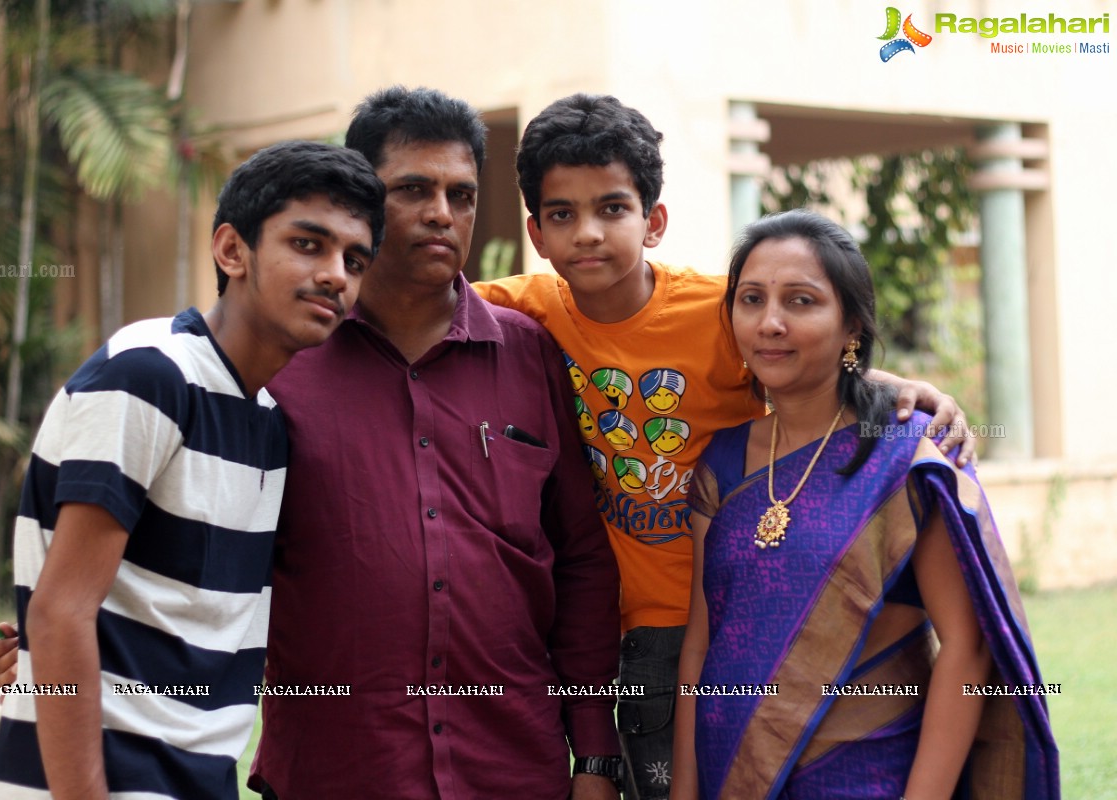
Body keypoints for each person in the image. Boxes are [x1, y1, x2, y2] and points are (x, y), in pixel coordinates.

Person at [473, 94, 975, 800]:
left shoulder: (724, 307)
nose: (587, 233)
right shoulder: (518, 305)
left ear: (653, 222)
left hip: (732, 607)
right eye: (563, 215)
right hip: (608, 619)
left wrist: (890, 385)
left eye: (612, 209)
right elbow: (417, 304)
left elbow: (805, 352)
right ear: (536, 231)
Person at [0, 141, 386, 800]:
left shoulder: (270, 423)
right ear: (232, 251)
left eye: (354, 259)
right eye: (308, 244)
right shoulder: (149, 375)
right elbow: (59, 614)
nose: (337, 274)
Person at [249, 87, 622, 800]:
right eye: (412, 190)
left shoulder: (530, 354)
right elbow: (202, 542)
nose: (441, 214)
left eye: (461, 193)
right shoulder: (285, 362)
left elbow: (579, 561)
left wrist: (597, 757)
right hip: (337, 771)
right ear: (359, 200)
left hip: (512, 768)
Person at [671, 210, 1059, 799]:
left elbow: (966, 645)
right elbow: (700, 649)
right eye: (751, 299)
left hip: (867, 779)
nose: (770, 322)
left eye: (800, 301)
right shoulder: (722, 461)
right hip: (731, 774)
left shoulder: (905, 454)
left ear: (851, 323)